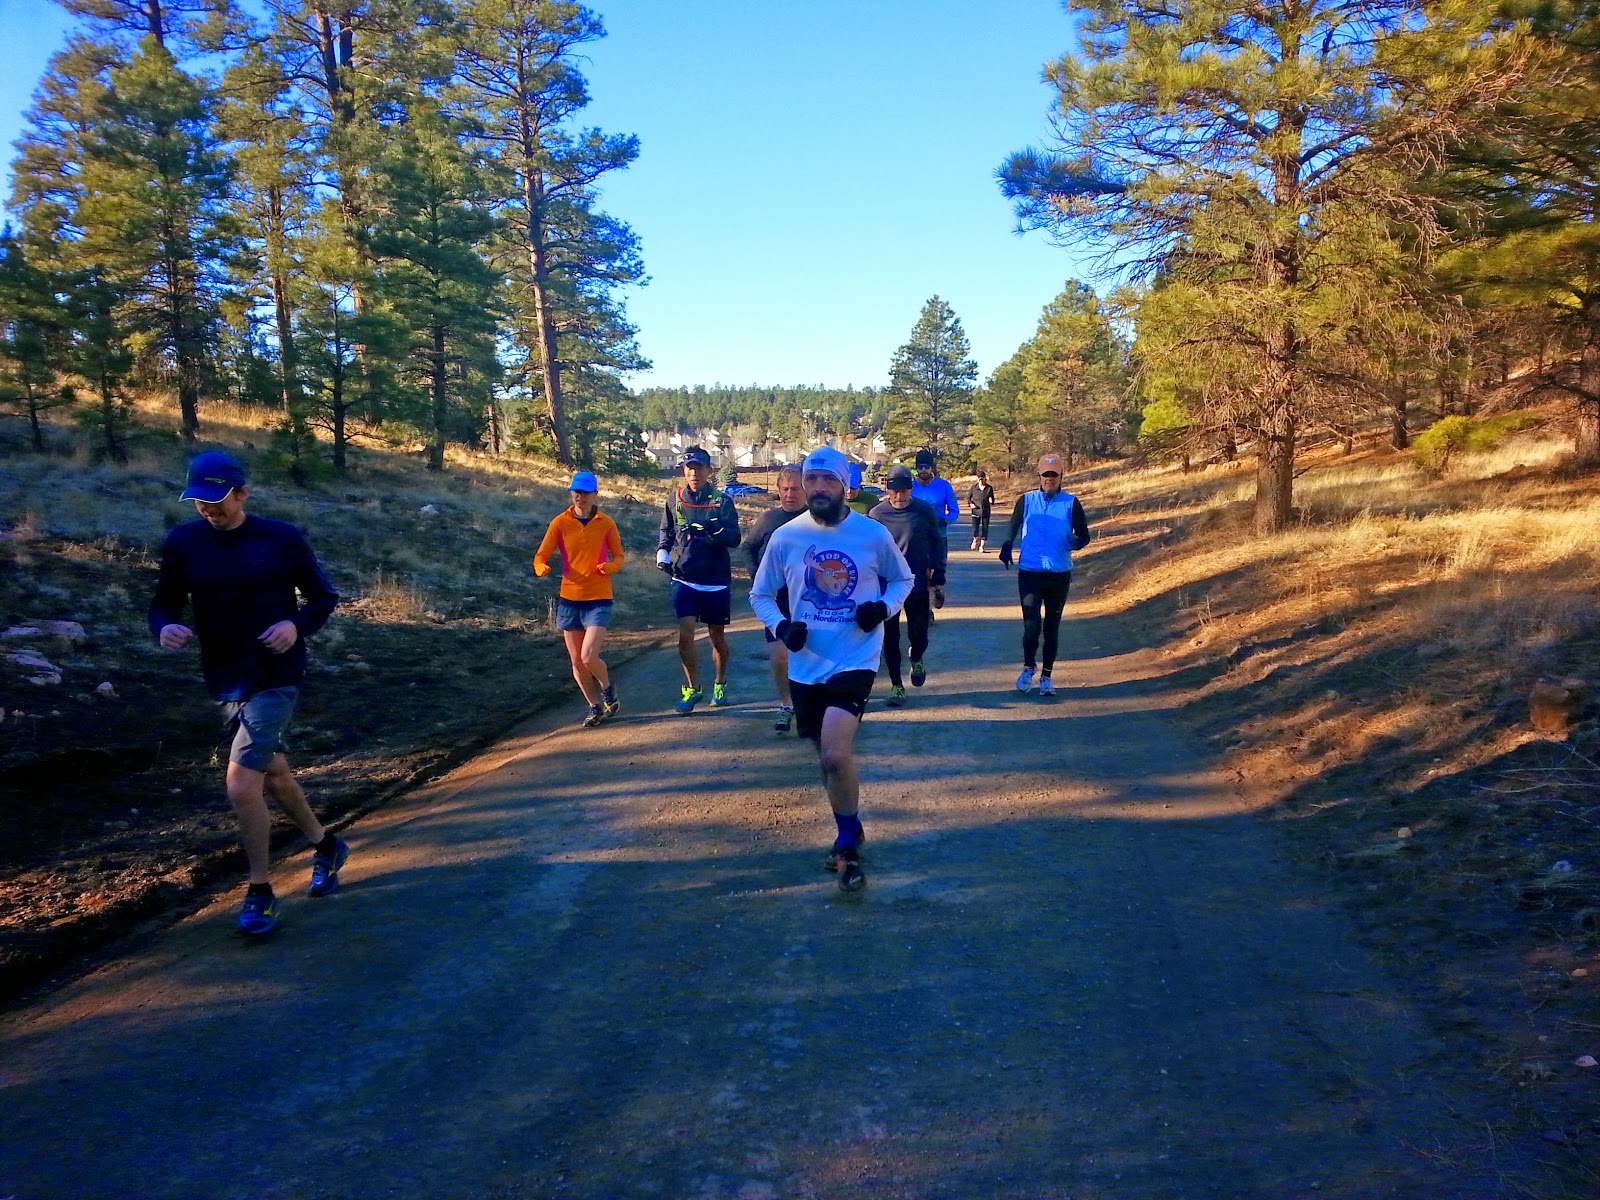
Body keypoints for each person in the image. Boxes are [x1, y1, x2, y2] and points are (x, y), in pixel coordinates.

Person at [148, 451, 345, 938]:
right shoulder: (184, 542)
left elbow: (323, 597)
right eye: (199, 501)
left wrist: (295, 626)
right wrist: (166, 627)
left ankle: (259, 892)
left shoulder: (280, 538)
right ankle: (325, 845)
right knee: (273, 773)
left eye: (217, 501)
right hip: (224, 676)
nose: (208, 510)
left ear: (242, 494)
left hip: (276, 673)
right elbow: (163, 604)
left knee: (241, 784)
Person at [750, 446, 914, 892]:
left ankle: (845, 843)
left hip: (856, 657)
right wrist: (782, 626)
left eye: (828, 480)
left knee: (834, 754)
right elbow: (760, 594)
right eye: (811, 480)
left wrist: (881, 607)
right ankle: (851, 824)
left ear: (845, 485)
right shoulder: (787, 537)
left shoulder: (871, 533)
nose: (818, 488)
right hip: (806, 663)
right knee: (825, 762)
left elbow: (904, 579)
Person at [534, 471, 624, 728]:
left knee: (588, 656)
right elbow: (540, 555)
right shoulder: (559, 523)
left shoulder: (606, 523)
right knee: (576, 661)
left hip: (598, 598)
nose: (579, 497)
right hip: (569, 598)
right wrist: (540, 567)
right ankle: (594, 707)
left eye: (585, 492)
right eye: (576, 492)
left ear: (595, 494)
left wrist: (610, 567)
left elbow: (619, 557)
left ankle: (607, 687)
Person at [998, 453, 1091, 698]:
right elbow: (1014, 525)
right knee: (1031, 626)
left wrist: (1077, 542)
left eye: (1054, 475)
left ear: (1061, 477)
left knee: (1051, 627)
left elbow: (1085, 535)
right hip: (1030, 572)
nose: (1049, 479)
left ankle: (1047, 677)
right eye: (1045, 475)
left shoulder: (1071, 503)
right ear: (1039, 476)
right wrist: (1007, 544)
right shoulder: (1026, 500)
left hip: (1058, 574)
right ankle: (1029, 667)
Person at [657, 446, 741, 714]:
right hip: (684, 578)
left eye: (699, 468)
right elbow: (666, 531)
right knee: (685, 635)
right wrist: (662, 552)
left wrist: (714, 531)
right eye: (689, 468)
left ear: (709, 471)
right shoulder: (675, 499)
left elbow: (735, 538)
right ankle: (692, 687)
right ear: (684, 470)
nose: (694, 472)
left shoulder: (722, 501)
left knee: (716, 638)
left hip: (715, 579)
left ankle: (720, 682)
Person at [868, 465, 946, 705]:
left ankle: (917, 657)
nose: (899, 497)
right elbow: (867, 550)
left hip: (917, 581)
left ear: (910, 489)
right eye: (894, 492)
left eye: (903, 491)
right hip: (887, 584)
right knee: (890, 635)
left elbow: (936, 542)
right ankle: (896, 686)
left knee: (918, 632)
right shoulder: (877, 515)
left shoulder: (923, 511)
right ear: (887, 490)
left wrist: (939, 572)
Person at [742, 464, 807, 733]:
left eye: (795, 489)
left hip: (809, 601)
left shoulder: (816, 520)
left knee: (807, 657)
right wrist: (759, 578)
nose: (790, 494)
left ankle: (811, 705)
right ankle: (786, 705)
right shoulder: (767, 520)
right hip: (777, 602)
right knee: (780, 657)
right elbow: (748, 547)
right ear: (778, 491)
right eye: (785, 489)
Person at [909, 448, 960, 529]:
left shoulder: (944, 486)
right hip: (915, 536)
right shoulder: (909, 487)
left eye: (926, 467)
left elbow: (954, 511)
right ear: (916, 468)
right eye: (920, 467)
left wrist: (943, 521)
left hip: (938, 535)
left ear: (932, 467)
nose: (923, 470)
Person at [967, 469, 996, 552]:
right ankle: (975, 540)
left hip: (985, 511)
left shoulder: (989, 488)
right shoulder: (974, 488)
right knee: (975, 528)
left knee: (985, 529)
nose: (981, 481)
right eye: (979, 479)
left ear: (985, 479)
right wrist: (971, 504)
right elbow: (968, 498)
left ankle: (982, 546)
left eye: (982, 479)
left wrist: (991, 500)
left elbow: (992, 499)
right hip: (976, 511)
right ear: (977, 479)